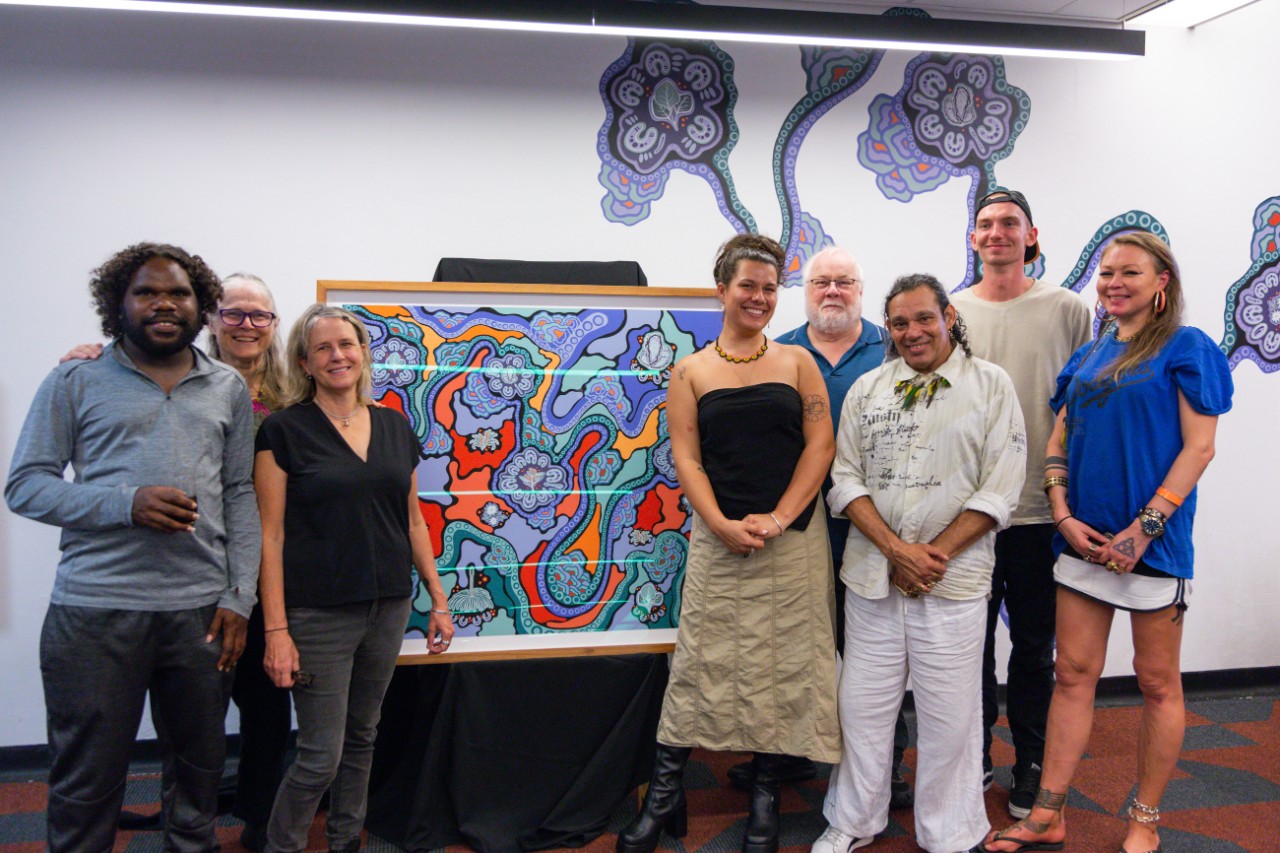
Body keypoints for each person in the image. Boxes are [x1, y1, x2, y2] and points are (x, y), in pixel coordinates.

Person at [976, 233, 1231, 853]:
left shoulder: (1187, 347)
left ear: (1161, 280)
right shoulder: (1092, 353)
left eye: (1129, 272)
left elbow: (1200, 447)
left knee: (1156, 682)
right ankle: (1047, 815)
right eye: (1106, 272)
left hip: (1153, 545)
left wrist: (1143, 530)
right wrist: (1062, 514)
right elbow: (1058, 439)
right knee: (1073, 676)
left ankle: (1143, 819)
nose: (1113, 282)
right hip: (1083, 543)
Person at [5, 242, 261, 852]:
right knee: (86, 784)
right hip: (94, 614)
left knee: (197, 783)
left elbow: (240, 494)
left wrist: (239, 596)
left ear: (200, 307)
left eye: (179, 293)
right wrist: (126, 502)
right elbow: (25, 485)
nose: (164, 304)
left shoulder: (225, 387)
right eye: (146, 292)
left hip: (201, 614)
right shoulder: (76, 378)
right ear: (118, 304)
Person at [618, 234, 839, 853]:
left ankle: (765, 799)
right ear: (722, 289)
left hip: (792, 541)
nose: (760, 298)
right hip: (719, 539)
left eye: (770, 288)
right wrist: (718, 522)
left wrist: (777, 518)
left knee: (784, 666)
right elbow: (685, 454)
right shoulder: (690, 370)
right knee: (698, 663)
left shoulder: (799, 362)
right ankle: (664, 797)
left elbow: (820, 446)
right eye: (748, 285)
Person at [61, 272, 291, 850]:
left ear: (273, 324)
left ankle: (257, 817)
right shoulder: (131, 377)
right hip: (189, 576)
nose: (245, 324)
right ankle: (185, 810)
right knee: (170, 727)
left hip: (271, 571)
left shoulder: (295, 395)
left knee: (261, 708)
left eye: (258, 315)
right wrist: (88, 357)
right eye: (233, 313)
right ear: (211, 319)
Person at [811, 274, 1026, 853]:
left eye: (923, 318)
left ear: (949, 315)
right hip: (872, 580)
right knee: (861, 711)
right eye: (900, 323)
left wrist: (933, 557)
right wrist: (896, 550)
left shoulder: (990, 386)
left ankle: (948, 832)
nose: (912, 332)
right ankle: (853, 820)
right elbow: (844, 480)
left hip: (951, 583)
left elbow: (1000, 488)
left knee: (950, 718)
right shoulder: (869, 390)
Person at [254, 304, 455, 853]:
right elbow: (269, 538)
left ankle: (346, 842)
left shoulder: (394, 424)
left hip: (388, 607)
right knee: (320, 756)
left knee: (363, 737)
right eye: (323, 348)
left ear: (363, 352)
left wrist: (437, 598)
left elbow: (412, 518)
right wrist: (276, 631)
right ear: (305, 362)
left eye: (346, 343)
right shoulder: (282, 431)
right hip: (317, 615)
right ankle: (283, 845)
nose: (337, 355)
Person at [727, 245, 913, 810]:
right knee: (793, 652)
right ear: (803, 292)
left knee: (876, 657)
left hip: (876, 530)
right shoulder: (775, 350)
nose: (832, 291)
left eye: (844, 282)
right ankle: (788, 753)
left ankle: (885, 765)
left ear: (861, 290)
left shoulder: (895, 348)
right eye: (821, 283)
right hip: (799, 531)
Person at [951, 189, 1092, 815]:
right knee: (967, 646)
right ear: (973, 239)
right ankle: (975, 752)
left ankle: (1030, 762)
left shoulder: (1067, 309)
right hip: (968, 515)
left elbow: (1082, 405)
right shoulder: (949, 311)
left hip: (1041, 510)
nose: (997, 233)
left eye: (1010, 223)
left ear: (1031, 235)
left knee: (1035, 649)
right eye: (985, 224)